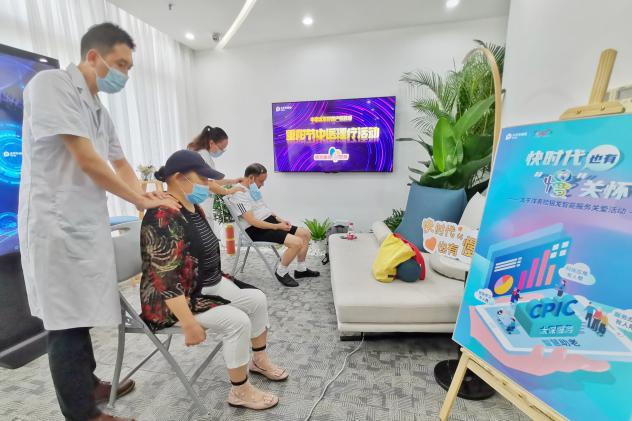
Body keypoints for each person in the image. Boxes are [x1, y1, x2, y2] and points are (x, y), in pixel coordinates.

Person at [19, 23, 179, 421]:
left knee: (82, 312)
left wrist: (145, 200)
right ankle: (82, 413)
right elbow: (87, 159)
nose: (125, 74)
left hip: (84, 224)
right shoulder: (50, 85)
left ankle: (88, 383)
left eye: (129, 67)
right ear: (93, 57)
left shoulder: (98, 110)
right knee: (66, 323)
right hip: (54, 226)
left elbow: (119, 162)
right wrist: (138, 198)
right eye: (120, 64)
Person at [141, 150, 287, 410]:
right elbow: (165, 280)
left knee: (257, 300)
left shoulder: (191, 206)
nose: (207, 185)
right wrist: (188, 323)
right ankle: (240, 391)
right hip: (174, 300)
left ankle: (259, 360)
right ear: (179, 178)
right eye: (202, 179)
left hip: (205, 283)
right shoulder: (163, 217)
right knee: (237, 322)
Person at [228, 163, 320, 287]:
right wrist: (277, 226)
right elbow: (253, 221)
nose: (262, 184)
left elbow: (265, 209)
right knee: (297, 242)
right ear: (251, 178)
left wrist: (280, 220)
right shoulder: (238, 194)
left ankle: (301, 270)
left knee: (305, 234)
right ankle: (281, 272)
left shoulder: (253, 189)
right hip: (255, 229)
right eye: (261, 181)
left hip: (269, 222)